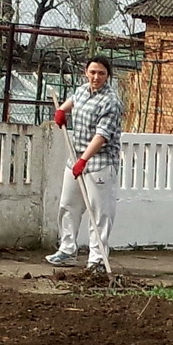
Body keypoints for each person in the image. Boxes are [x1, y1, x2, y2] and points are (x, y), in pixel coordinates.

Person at [46, 55, 123, 274]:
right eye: (92, 72)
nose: (96, 77)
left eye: (101, 73)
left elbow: (102, 136)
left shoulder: (111, 101)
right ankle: (67, 249)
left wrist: (84, 160)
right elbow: (74, 100)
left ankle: (97, 259)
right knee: (68, 205)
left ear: (108, 76)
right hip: (75, 158)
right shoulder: (82, 90)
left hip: (99, 162)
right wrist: (62, 110)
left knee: (99, 212)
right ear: (85, 72)